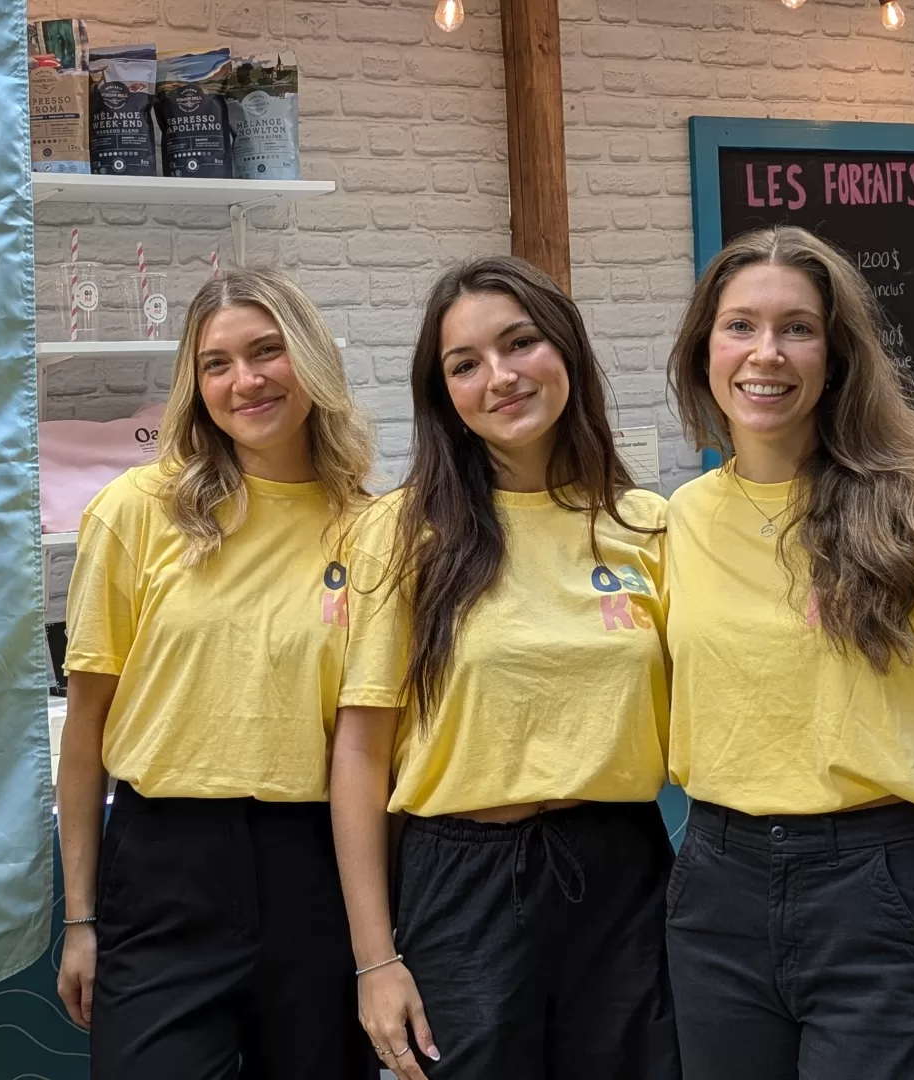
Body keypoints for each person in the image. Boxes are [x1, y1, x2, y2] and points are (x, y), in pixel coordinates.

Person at [661, 225, 914, 1080]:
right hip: (715, 886)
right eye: (740, 326)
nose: (766, 353)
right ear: (703, 350)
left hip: (876, 891)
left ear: (837, 356)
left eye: (797, 328)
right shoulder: (680, 520)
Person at [330, 255, 681, 1080]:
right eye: (465, 364)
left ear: (566, 348)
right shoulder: (400, 533)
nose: (500, 377)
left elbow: (726, 694)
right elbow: (361, 752)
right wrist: (375, 959)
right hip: (461, 885)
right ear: (443, 394)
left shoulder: (650, 525)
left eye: (520, 343)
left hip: (625, 876)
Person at [54, 267, 376, 1079]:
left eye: (267, 351)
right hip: (163, 868)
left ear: (311, 357)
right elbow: (85, 730)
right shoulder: (136, 511)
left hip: (316, 870)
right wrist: (81, 920)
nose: (246, 381)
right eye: (217, 364)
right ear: (195, 387)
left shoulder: (371, 530)